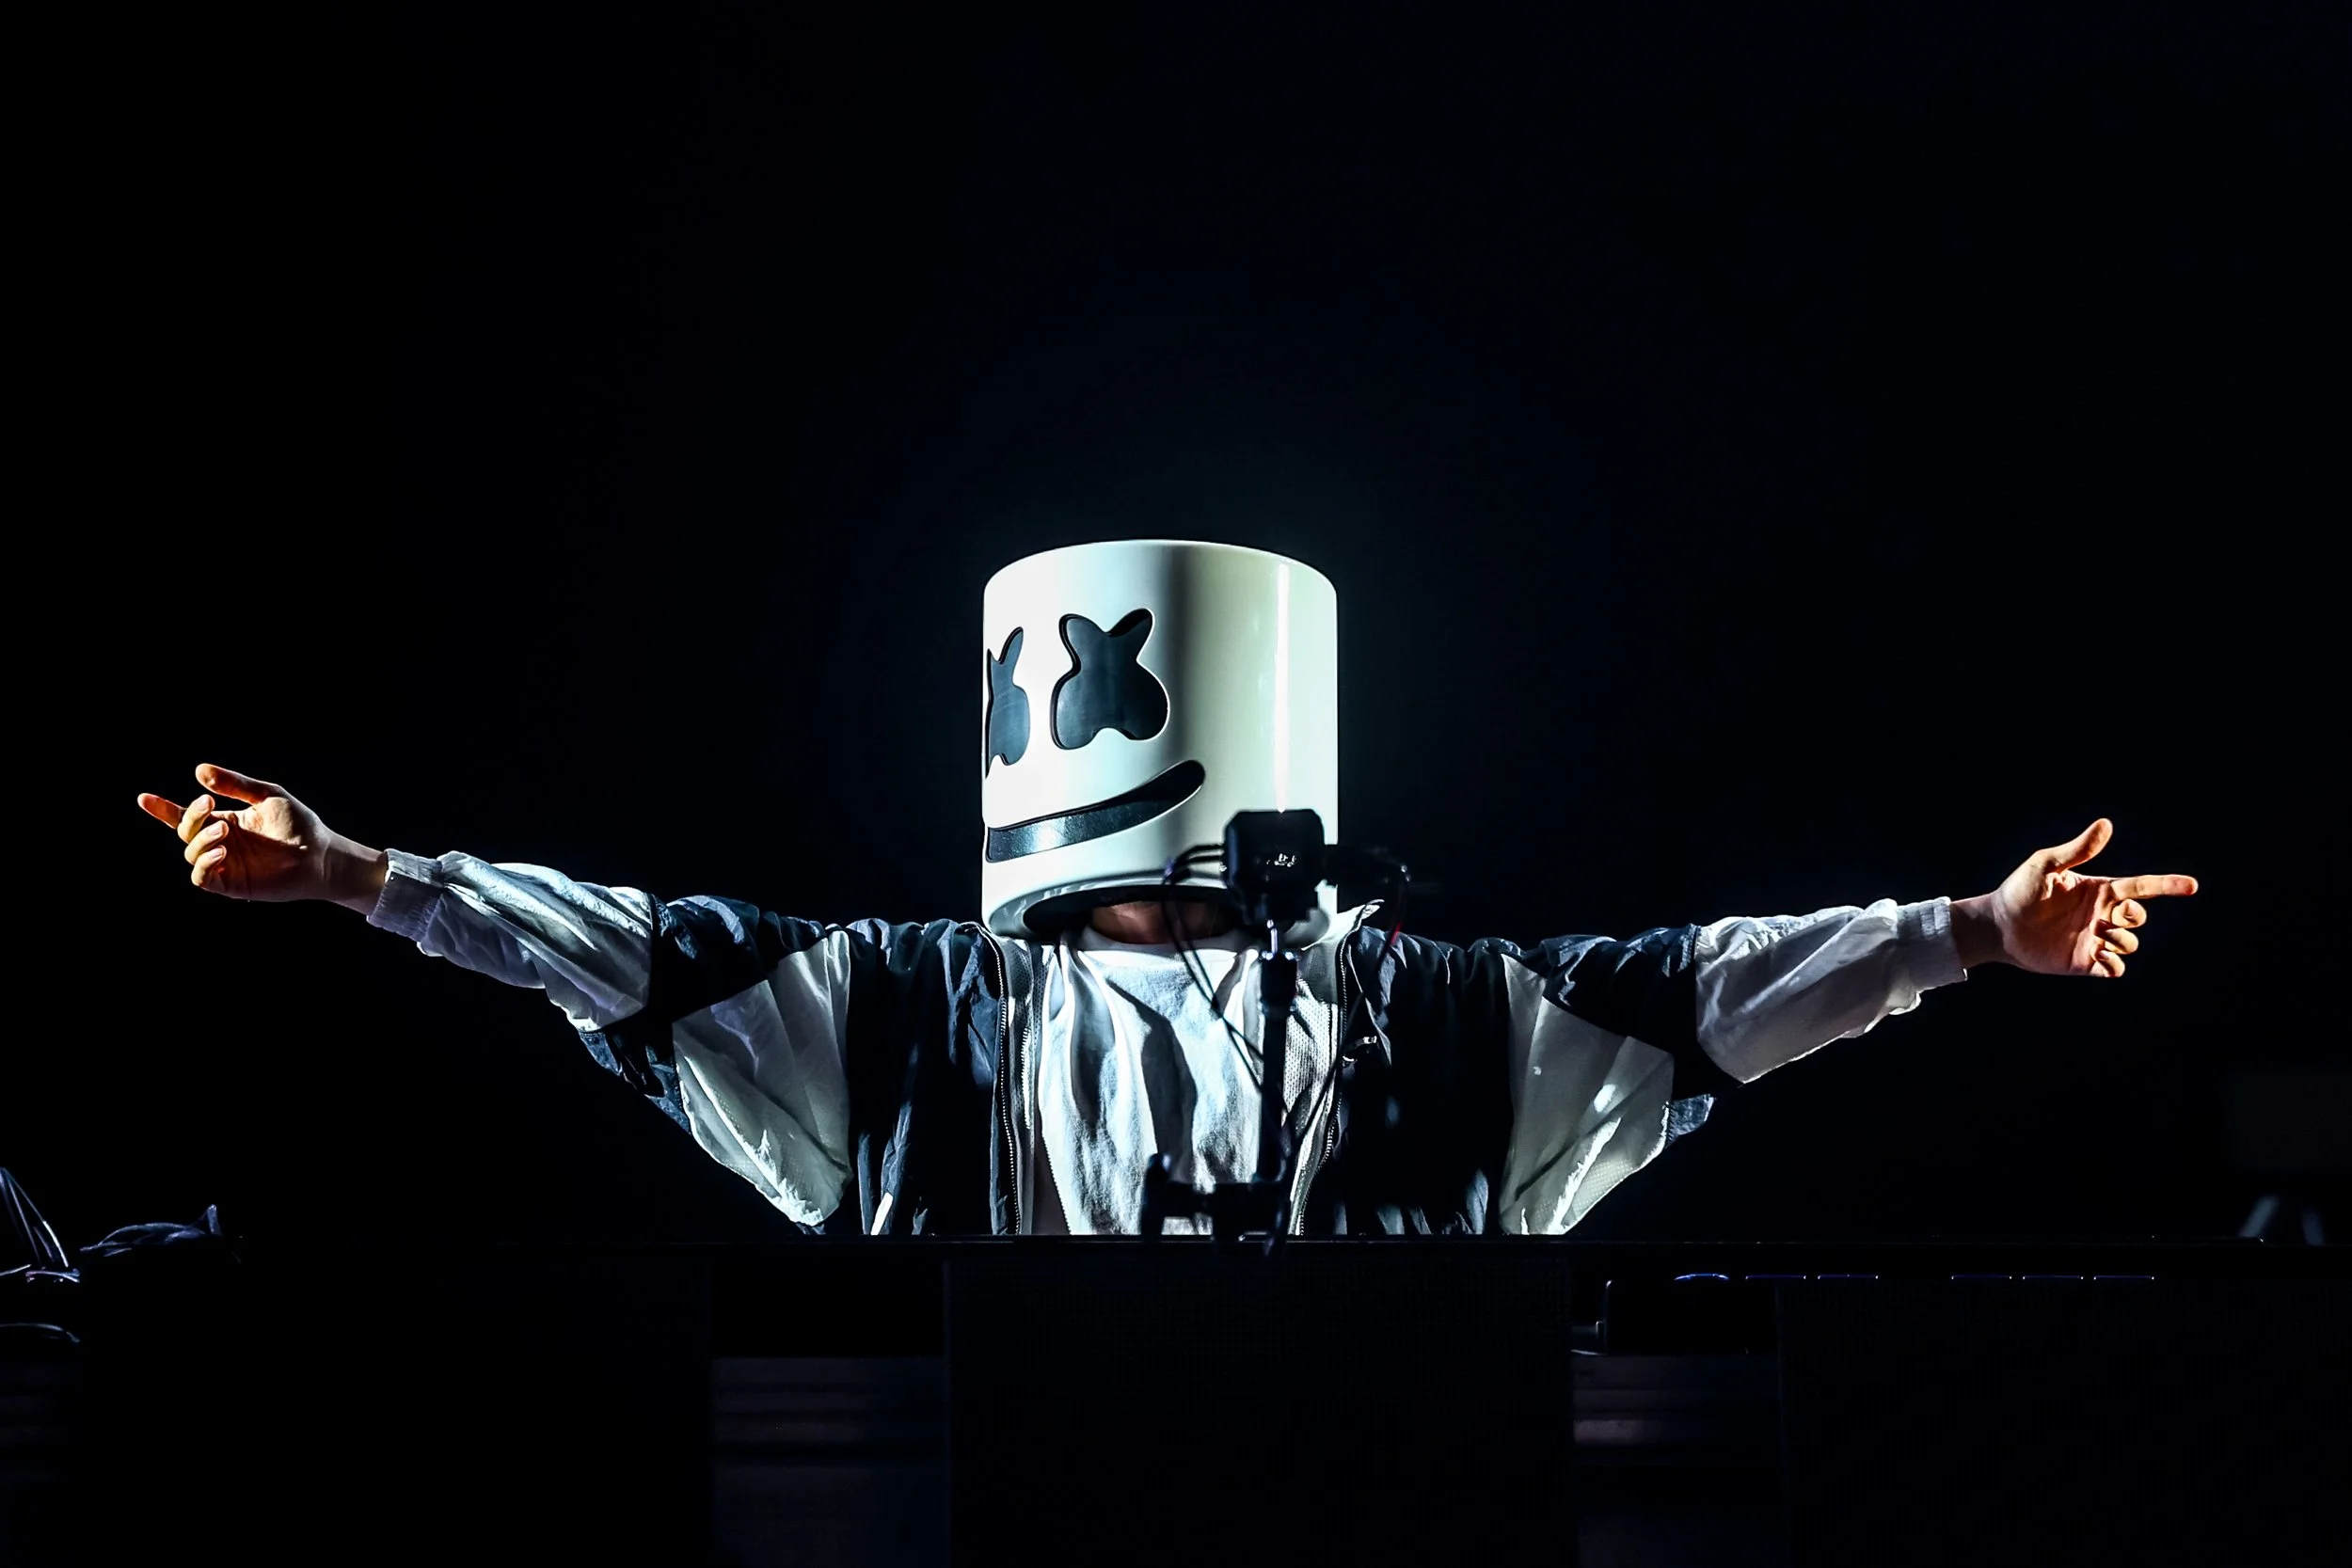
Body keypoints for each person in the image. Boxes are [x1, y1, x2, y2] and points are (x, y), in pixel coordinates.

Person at [134, 541, 2197, 1239]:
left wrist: (1963, 931)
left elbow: (1704, 991)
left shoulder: (1428, 1015)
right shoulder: (909, 1008)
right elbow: (626, 950)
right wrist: (363, 875)